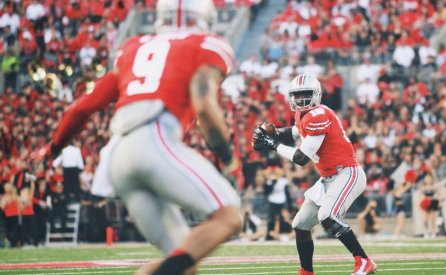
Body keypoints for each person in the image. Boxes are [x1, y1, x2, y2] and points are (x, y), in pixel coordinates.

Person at [32, 1, 242, 274]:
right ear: (205, 16)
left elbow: (81, 108)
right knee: (229, 217)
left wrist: (51, 150)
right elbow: (204, 106)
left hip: (119, 156)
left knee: (184, 265)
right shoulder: (207, 43)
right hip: (154, 139)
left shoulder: (134, 47)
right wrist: (228, 160)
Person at [252, 73, 376, 275]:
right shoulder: (304, 115)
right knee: (300, 225)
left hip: (347, 172)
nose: (301, 100)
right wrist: (273, 134)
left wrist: (273, 144)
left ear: (316, 94)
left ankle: (363, 261)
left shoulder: (319, 114)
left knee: (327, 216)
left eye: (306, 95)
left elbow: (301, 159)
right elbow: (295, 131)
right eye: (298, 95)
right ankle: (306, 272)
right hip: (328, 178)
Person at [418, 174, 440, 238]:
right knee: (425, 219)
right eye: (426, 178)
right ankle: (426, 231)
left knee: (433, 218)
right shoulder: (422, 187)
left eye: (429, 178)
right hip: (426, 203)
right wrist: (424, 200)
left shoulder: (433, 186)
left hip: (433, 203)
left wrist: (437, 200)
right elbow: (420, 195)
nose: (427, 179)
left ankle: (433, 232)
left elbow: (437, 195)